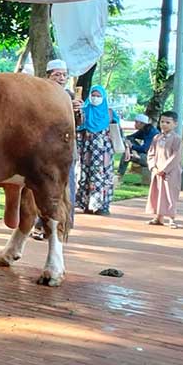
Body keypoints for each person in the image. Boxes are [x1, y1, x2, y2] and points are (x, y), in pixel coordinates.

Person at [32, 60, 82, 239]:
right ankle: (40, 226)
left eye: (64, 75)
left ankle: (62, 226)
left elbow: (76, 126)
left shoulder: (69, 96)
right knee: (41, 187)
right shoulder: (40, 95)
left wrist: (76, 112)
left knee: (65, 187)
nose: (61, 78)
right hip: (43, 150)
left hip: (65, 150)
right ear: (48, 76)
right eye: (57, 74)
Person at [76, 85, 119, 215]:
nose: (95, 98)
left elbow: (117, 132)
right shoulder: (84, 111)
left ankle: (102, 206)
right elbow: (78, 130)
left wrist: (126, 148)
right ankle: (87, 204)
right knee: (85, 176)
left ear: (103, 97)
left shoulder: (110, 113)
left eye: (99, 96)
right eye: (93, 95)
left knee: (103, 177)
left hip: (104, 153)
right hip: (87, 151)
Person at [146, 111, 181, 229]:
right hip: (157, 171)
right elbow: (151, 153)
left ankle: (172, 218)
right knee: (157, 192)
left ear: (175, 124)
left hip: (170, 172)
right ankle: (158, 217)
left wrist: (164, 169)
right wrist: (153, 167)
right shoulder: (157, 137)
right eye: (162, 122)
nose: (164, 124)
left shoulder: (177, 139)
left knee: (170, 194)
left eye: (168, 122)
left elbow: (176, 156)